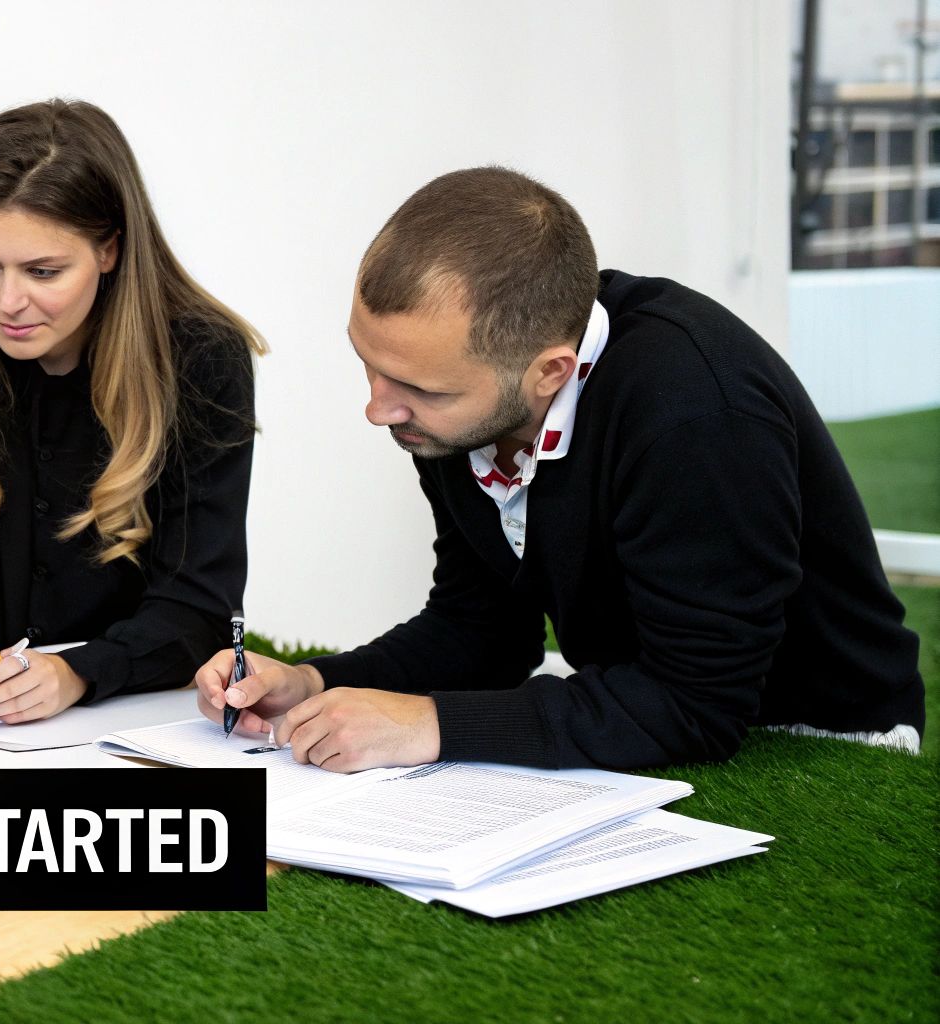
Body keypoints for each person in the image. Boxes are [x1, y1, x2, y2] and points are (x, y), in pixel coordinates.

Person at [198, 166, 925, 772]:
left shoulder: (696, 410)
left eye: (421, 389)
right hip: (640, 717)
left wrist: (429, 724)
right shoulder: (458, 411)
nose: (378, 408)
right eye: (369, 365)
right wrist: (314, 681)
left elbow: (698, 706)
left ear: (551, 371)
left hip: (817, 743)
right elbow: (482, 629)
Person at [0, 99, 265, 725]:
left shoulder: (200, 356)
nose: (7, 302)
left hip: (124, 718)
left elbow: (200, 604)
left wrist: (80, 671)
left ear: (109, 250)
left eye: (44, 271)